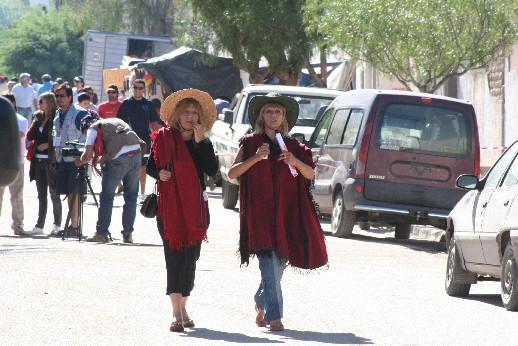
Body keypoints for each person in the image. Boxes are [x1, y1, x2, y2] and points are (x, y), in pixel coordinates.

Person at [227, 92, 328, 332]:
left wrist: (294, 161)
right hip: (259, 214)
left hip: (288, 213)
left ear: (284, 118)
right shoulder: (250, 143)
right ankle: (275, 317)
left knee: (279, 263)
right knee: (269, 261)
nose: (273, 115)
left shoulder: (295, 147)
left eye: (278, 112)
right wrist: (255, 158)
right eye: (269, 111)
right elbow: (232, 174)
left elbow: (311, 174)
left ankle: (260, 300)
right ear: (262, 115)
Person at [146, 89, 218, 332]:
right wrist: (160, 173)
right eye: (186, 112)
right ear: (177, 115)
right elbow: (150, 167)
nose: (190, 117)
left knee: (191, 260)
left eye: (195, 113)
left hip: (196, 210)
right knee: (174, 259)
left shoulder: (203, 141)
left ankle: (184, 307)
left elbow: (211, 170)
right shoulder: (163, 138)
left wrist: (200, 142)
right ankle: (176, 313)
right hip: (170, 210)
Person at [76, 114, 144, 243]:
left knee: (107, 197)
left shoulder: (93, 128)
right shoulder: (116, 120)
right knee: (131, 197)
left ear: (86, 126)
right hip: (136, 155)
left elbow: (87, 154)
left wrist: (78, 161)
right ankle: (128, 234)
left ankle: (101, 233)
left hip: (118, 159)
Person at [53, 83, 89, 237]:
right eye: (57, 96)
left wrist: (83, 156)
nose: (59, 99)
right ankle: (73, 225)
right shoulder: (58, 114)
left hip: (76, 160)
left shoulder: (80, 114)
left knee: (75, 193)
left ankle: (75, 226)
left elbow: (90, 135)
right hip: (63, 159)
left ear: (70, 97)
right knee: (68, 192)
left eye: (62, 96)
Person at [118, 79, 162, 203]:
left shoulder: (148, 104)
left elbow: (155, 122)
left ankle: (142, 194)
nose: (137, 90)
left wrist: (164, 133)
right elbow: (120, 122)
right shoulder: (126, 103)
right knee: (128, 166)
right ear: (132, 88)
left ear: (144, 89)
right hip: (128, 140)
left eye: (140, 88)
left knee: (143, 167)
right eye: (135, 87)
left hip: (145, 140)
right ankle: (130, 191)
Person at [25, 92, 62, 236]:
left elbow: (59, 136)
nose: (39, 104)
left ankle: (57, 224)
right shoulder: (39, 118)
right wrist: (36, 120)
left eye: (42, 102)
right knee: (41, 195)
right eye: (39, 102)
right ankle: (39, 225)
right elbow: (30, 135)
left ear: (49, 103)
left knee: (54, 193)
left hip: (50, 160)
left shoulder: (56, 118)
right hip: (38, 160)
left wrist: (48, 144)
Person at [0, 94, 28, 235]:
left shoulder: (21, 120)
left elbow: (20, 135)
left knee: (16, 195)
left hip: (16, 161)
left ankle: (18, 225)